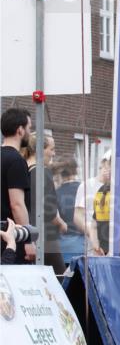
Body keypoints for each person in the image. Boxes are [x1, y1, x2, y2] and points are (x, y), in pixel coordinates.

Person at [26, 133, 67, 274]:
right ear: (39, 149)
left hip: (28, 234)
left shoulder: (24, 170)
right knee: (60, 278)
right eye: (51, 149)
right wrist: (61, 223)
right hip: (46, 237)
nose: (54, 153)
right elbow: (49, 210)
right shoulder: (43, 172)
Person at [87, 155, 120, 256]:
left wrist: (96, 247)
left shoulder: (102, 190)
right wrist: (112, 254)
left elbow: (93, 226)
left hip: (103, 252)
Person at [1, 108, 35, 264]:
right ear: (20, 130)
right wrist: (28, 240)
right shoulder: (16, 160)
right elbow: (17, 204)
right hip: (10, 239)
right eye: (29, 128)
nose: (30, 132)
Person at [56, 159, 85, 265]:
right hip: (84, 246)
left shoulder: (56, 193)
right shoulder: (85, 189)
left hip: (63, 246)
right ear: (76, 170)